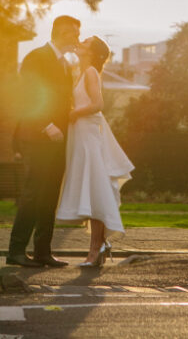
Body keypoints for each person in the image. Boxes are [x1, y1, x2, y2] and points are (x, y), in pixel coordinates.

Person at [6, 15, 81, 268]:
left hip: (58, 141)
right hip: (38, 138)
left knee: (49, 195)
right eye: (74, 34)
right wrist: (46, 125)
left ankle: (42, 252)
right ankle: (16, 250)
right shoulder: (36, 57)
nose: (77, 39)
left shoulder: (65, 64)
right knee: (33, 193)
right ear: (61, 33)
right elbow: (26, 95)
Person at [56, 35, 134, 267]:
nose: (80, 43)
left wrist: (74, 113)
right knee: (91, 191)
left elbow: (98, 104)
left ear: (92, 52)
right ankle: (98, 246)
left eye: (86, 42)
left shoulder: (90, 72)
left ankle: (95, 249)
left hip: (89, 135)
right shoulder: (80, 71)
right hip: (81, 134)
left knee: (95, 189)